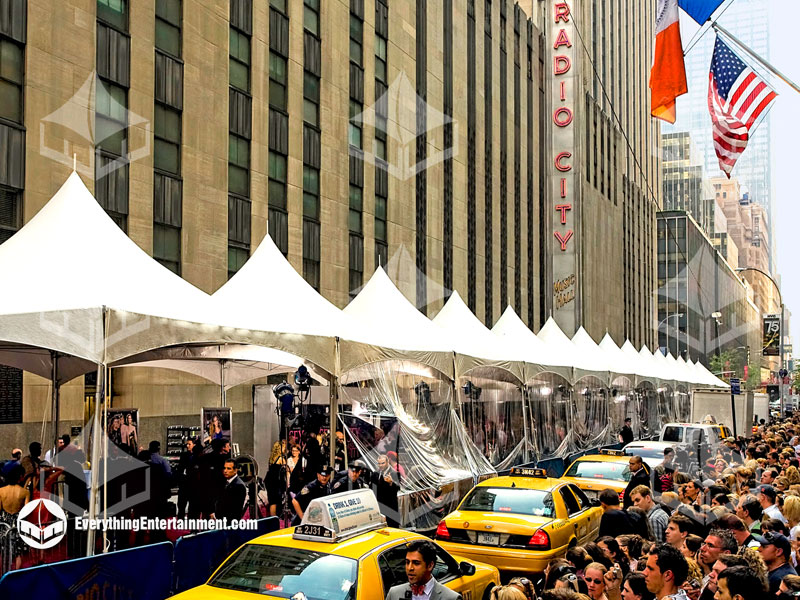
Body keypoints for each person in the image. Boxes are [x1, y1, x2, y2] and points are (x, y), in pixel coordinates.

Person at [385, 539, 461, 599]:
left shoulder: (451, 598)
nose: (409, 568)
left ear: (430, 566)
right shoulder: (394, 594)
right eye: (407, 562)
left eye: (416, 563)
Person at [372, 454, 401, 527]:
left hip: (390, 505)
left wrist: (391, 483)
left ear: (387, 462)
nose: (380, 465)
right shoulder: (375, 473)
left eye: (382, 463)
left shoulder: (394, 473)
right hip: (379, 506)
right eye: (379, 463)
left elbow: (398, 488)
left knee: (393, 526)